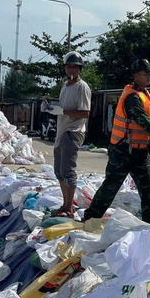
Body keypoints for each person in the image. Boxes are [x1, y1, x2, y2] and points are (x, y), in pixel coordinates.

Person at [83, 59, 150, 225]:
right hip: (123, 150)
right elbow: (143, 120)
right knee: (111, 186)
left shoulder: (144, 94)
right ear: (136, 75)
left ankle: (149, 222)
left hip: (140, 151)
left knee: (148, 188)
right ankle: (90, 218)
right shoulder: (132, 97)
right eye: (146, 73)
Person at [51, 51, 92, 216]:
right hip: (61, 132)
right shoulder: (65, 86)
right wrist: (51, 109)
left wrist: (63, 111)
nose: (71, 70)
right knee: (59, 171)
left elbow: (85, 113)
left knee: (68, 171)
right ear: (65, 68)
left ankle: (69, 206)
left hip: (72, 131)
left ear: (80, 69)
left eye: (75, 67)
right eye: (69, 66)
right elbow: (63, 108)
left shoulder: (82, 87)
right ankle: (65, 204)